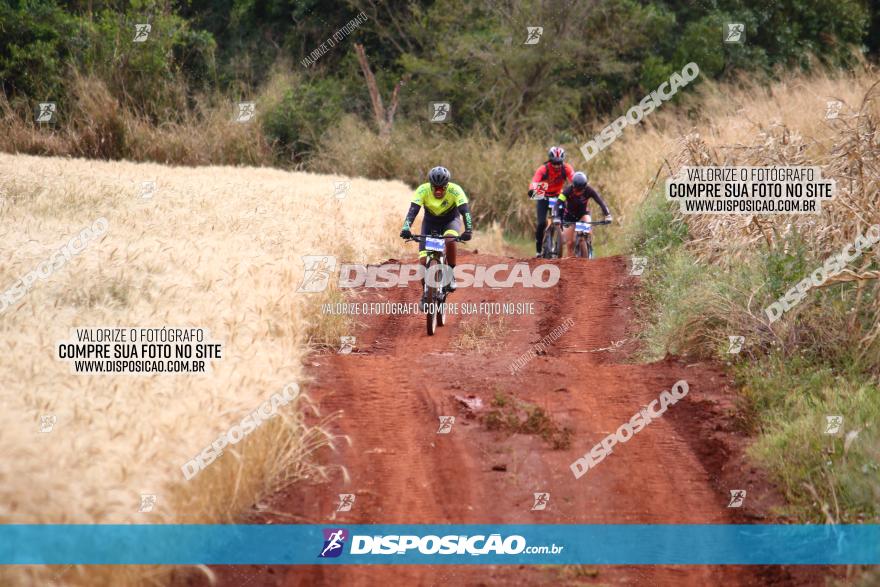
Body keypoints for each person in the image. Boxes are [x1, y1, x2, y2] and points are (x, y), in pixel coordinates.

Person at [400, 166, 473, 305]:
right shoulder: (423, 190)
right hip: (430, 223)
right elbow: (412, 211)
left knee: (450, 241)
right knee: (422, 263)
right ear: (430, 186)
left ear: (447, 185)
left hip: (450, 221)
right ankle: (426, 293)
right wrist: (406, 227)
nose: (439, 191)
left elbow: (465, 212)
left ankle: (450, 274)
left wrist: (468, 229)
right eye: (436, 188)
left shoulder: (455, 190)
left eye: (442, 188)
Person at [553, 171, 612, 257]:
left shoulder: (589, 190)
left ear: (585, 187)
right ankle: (571, 264)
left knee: (586, 229)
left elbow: (600, 202)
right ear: (573, 186)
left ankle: (588, 246)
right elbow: (558, 203)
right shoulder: (567, 191)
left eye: (581, 190)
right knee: (570, 243)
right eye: (576, 189)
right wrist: (557, 217)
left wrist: (608, 215)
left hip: (583, 215)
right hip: (569, 217)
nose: (578, 192)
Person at [528, 146, 574, 257]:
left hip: (558, 196)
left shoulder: (566, 168)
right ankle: (538, 250)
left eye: (559, 163)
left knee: (564, 219)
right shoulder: (543, 169)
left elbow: (574, 178)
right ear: (550, 161)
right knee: (541, 223)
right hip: (543, 196)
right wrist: (532, 190)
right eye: (554, 163)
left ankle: (561, 240)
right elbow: (534, 181)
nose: (557, 166)